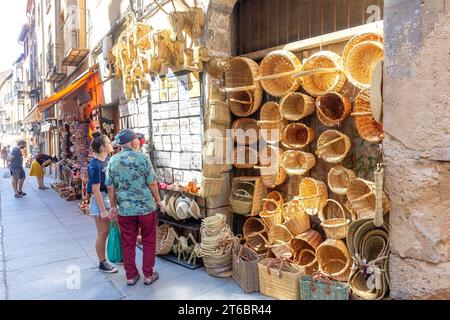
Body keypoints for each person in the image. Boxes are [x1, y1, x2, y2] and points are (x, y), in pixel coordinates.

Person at [106, 129, 164, 286]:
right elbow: (152, 182)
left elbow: (110, 187)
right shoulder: (142, 158)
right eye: (136, 140)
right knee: (149, 240)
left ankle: (131, 276)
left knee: (128, 242)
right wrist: (159, 201)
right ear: (133, 142)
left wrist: (112, 206)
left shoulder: (113, 161)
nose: (138, 142)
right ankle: (148, 275)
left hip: (125, 209)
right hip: (146, 208)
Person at [87, 132, 118, 274]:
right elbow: (95, 189)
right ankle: (102, 262)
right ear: (101, 147)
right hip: (99, 200)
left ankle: (108, 259)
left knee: (107, 231)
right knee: (102, 233)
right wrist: (102, 210)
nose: (111, 143)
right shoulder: (94, 165)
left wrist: (112, 205)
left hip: (106, 199)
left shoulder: (106, 161)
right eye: (108, 142)